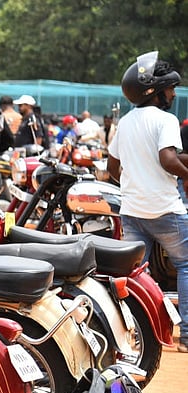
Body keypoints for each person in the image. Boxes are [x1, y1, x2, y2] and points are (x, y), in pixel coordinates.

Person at [107, 51, 188, 352]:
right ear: (155, 91)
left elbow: (112, 167)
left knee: (134, 274)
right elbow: (168, 159)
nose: (173, 94)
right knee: (186, 265)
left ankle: (135, 337)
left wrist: (135, 184)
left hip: (132, 211)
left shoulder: (126, 122)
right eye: (170, 88)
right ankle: (187, 337)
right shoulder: (166, 120)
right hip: (165, 210)